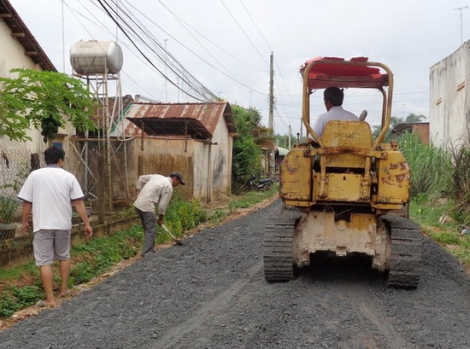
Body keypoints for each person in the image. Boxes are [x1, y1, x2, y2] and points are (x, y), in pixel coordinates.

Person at [18, 146, 93, 307]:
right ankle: (64, 290)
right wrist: (87, 224)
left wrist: (24, 222)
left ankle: (50, 299)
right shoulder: (68, 177)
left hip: (42, 224)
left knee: (44, 261)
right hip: (63, 224)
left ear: (46, 160)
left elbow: (26, 202)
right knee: (63, 255)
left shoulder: (34, 176)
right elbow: (78, 202)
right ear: (61, 160)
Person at [133, 171, 186, 256]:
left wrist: (138, 192)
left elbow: (141, 178)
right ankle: (147, 253)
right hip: (147, 206)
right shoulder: (168, 186)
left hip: (138, 204)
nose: (177, 185)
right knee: (150, 230)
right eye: (178, 183)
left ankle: (150, 250)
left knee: (148, 229)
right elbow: (162, 205)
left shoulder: (156, 176)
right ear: (174, 179)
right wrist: (161, 218)